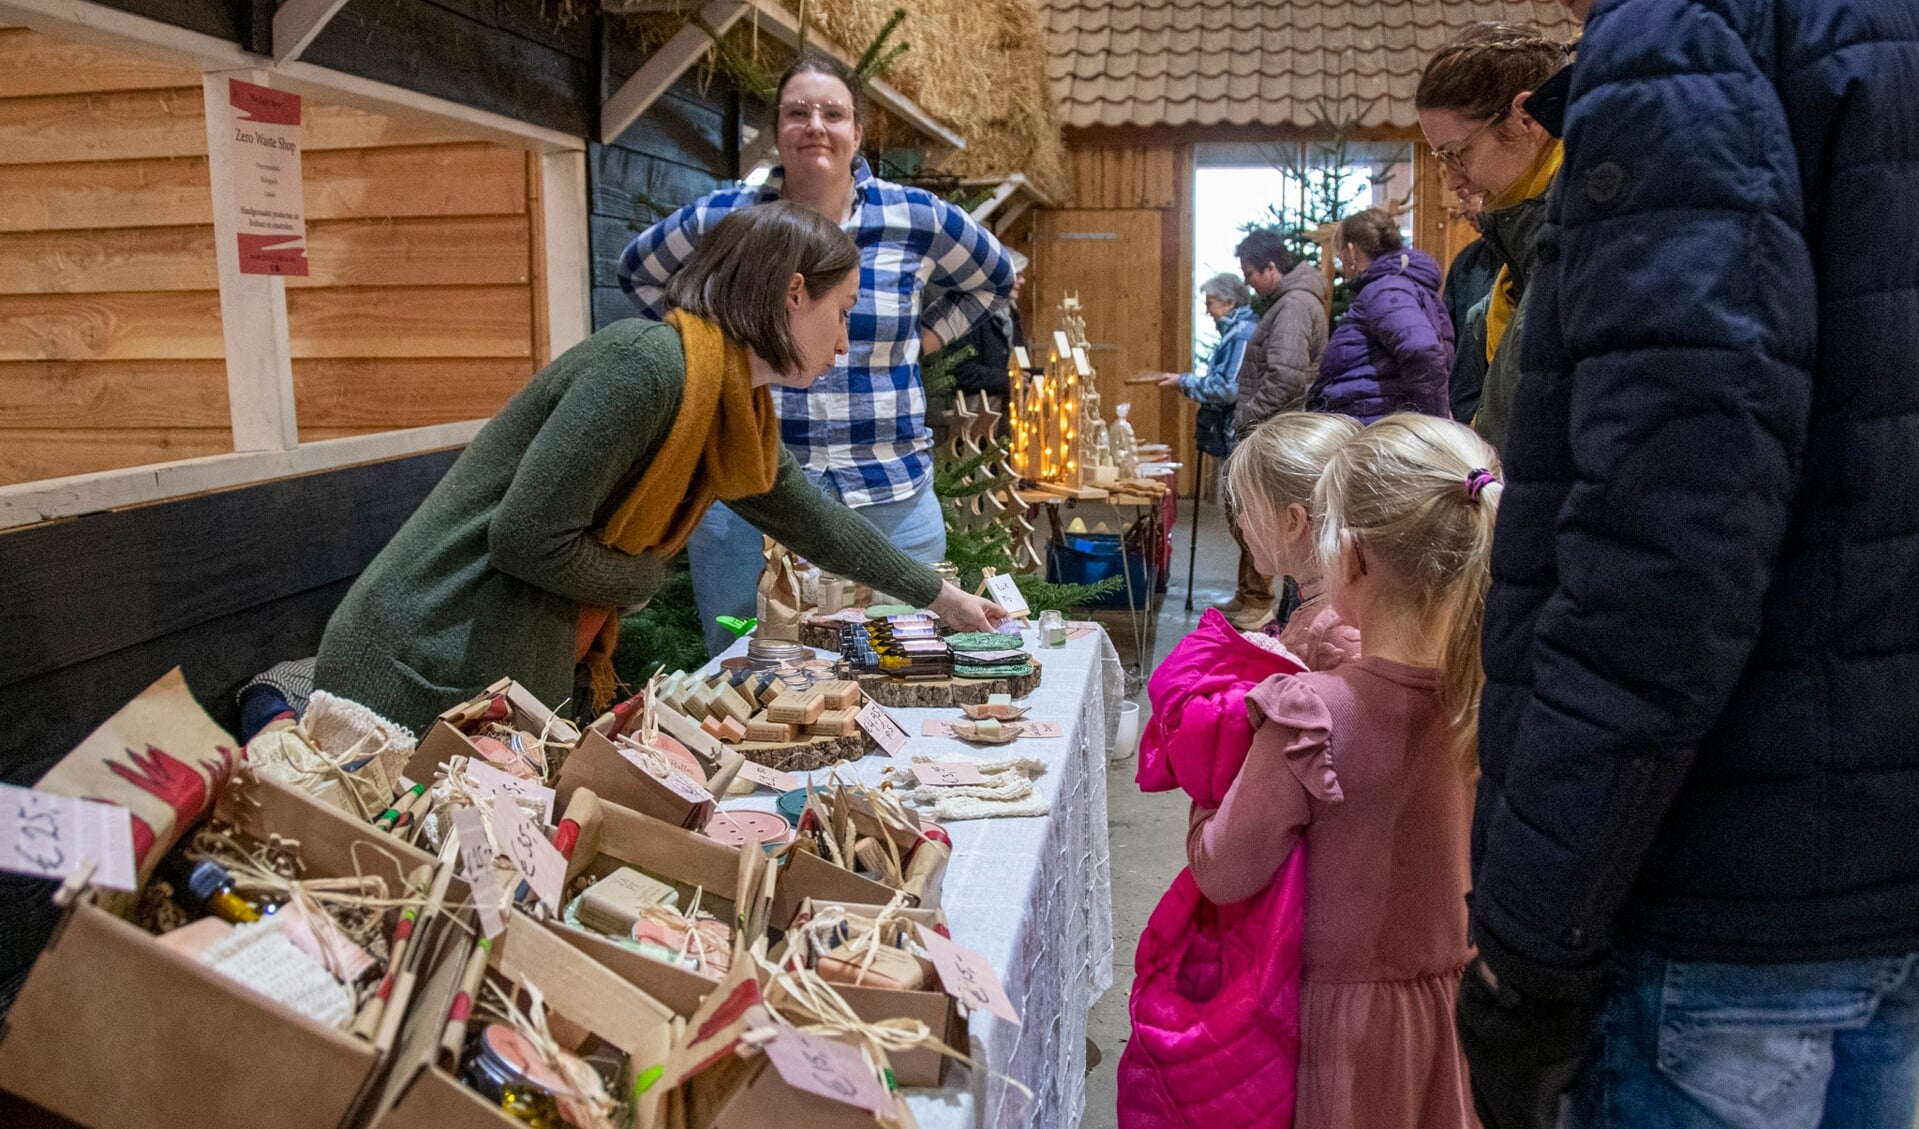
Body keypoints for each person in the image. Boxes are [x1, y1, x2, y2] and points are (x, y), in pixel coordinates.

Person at [1457, 1, 1919, 1127]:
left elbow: (1666, 534)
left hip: (1715, 876)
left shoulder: (1685, 41)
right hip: (1867, 853)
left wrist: (1529, 922)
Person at [315, 204, 1005, 734]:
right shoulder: (646, 366)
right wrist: (643, 578)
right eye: (843, 312)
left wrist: (940, 599)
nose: (845, 341)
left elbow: (811, 519)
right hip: (417, 659)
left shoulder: (731, 401)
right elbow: (525, 539)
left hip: (472, 656)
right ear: (794, 293)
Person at [619, 54, 1017, 657]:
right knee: (746, 668)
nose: (815, 125)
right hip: (749, 493)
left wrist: (922, 341)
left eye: (834, 113)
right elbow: (640, 273)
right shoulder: (731, 218)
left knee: (909, 663)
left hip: (891, 492)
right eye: (797, 112)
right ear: (776, 130)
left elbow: (995, 279)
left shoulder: (915, 217)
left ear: (857, 133)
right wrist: (707, 357)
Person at [1187, 414, 1499, 1128]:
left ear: (1350, 558)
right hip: (1456, 1009)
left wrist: (1209, 784)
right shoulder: (1489, 698)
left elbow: (1223, 868)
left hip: (1338, 1031)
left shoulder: (1312, 712)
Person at [1120, 412, 1363, 1129]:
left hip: (1300, 926)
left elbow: (1227, 856)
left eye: (1245, 509)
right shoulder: (1325, 614)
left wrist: (1209, 788)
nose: (1236, 525)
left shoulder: (1327, 642)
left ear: (1292, 521)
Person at [1415, 22, 1567, 452]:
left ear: (1524, 118)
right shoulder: (1522, 249)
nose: (1451, 180)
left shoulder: (1583, 240)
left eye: (1457, 154)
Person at [1223, 230, 1329, 629]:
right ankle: (1251, 596)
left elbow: (1286, 376)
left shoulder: (1294, 306)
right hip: (1268, 421)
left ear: (1271, 267)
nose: (1247, 282)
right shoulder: (1287, 302)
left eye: (1250, 273)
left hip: (1271, 425)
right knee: (1249, 513)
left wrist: (1250, 415)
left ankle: (1262, 602)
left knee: (1263, 517)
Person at [1310, 208, 1454, 422]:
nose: (1340, 267)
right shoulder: (1395, 285)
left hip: (1378, 428)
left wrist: (1433, 424)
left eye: (1339, 256)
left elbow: (1421, 349)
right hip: (1381, 424)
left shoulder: (1386, 289)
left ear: (1351, 251)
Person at [1141, 272, 1260, 465]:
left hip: (1236, 431)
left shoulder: (1241, 335)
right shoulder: (1236, 333)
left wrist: (1184, 381)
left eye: (1210, 303)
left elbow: (1227, 389)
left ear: (1229, 303)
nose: (1207, 311)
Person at [945, 249, 1029, 399]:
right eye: (1017, 275)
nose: (1022, 281)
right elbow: (961, 370)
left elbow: (1016, 365)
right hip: (977, 411)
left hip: (1005, 407)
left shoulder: (1011, 314)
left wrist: (1045, 373)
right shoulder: (968, 313)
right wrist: (1008, 379)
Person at [1442, 194, 1497, 423]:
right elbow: (1449, 334)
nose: (1461, 209)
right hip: (1467, 407)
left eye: (1466, 198)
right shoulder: (1466, 260)